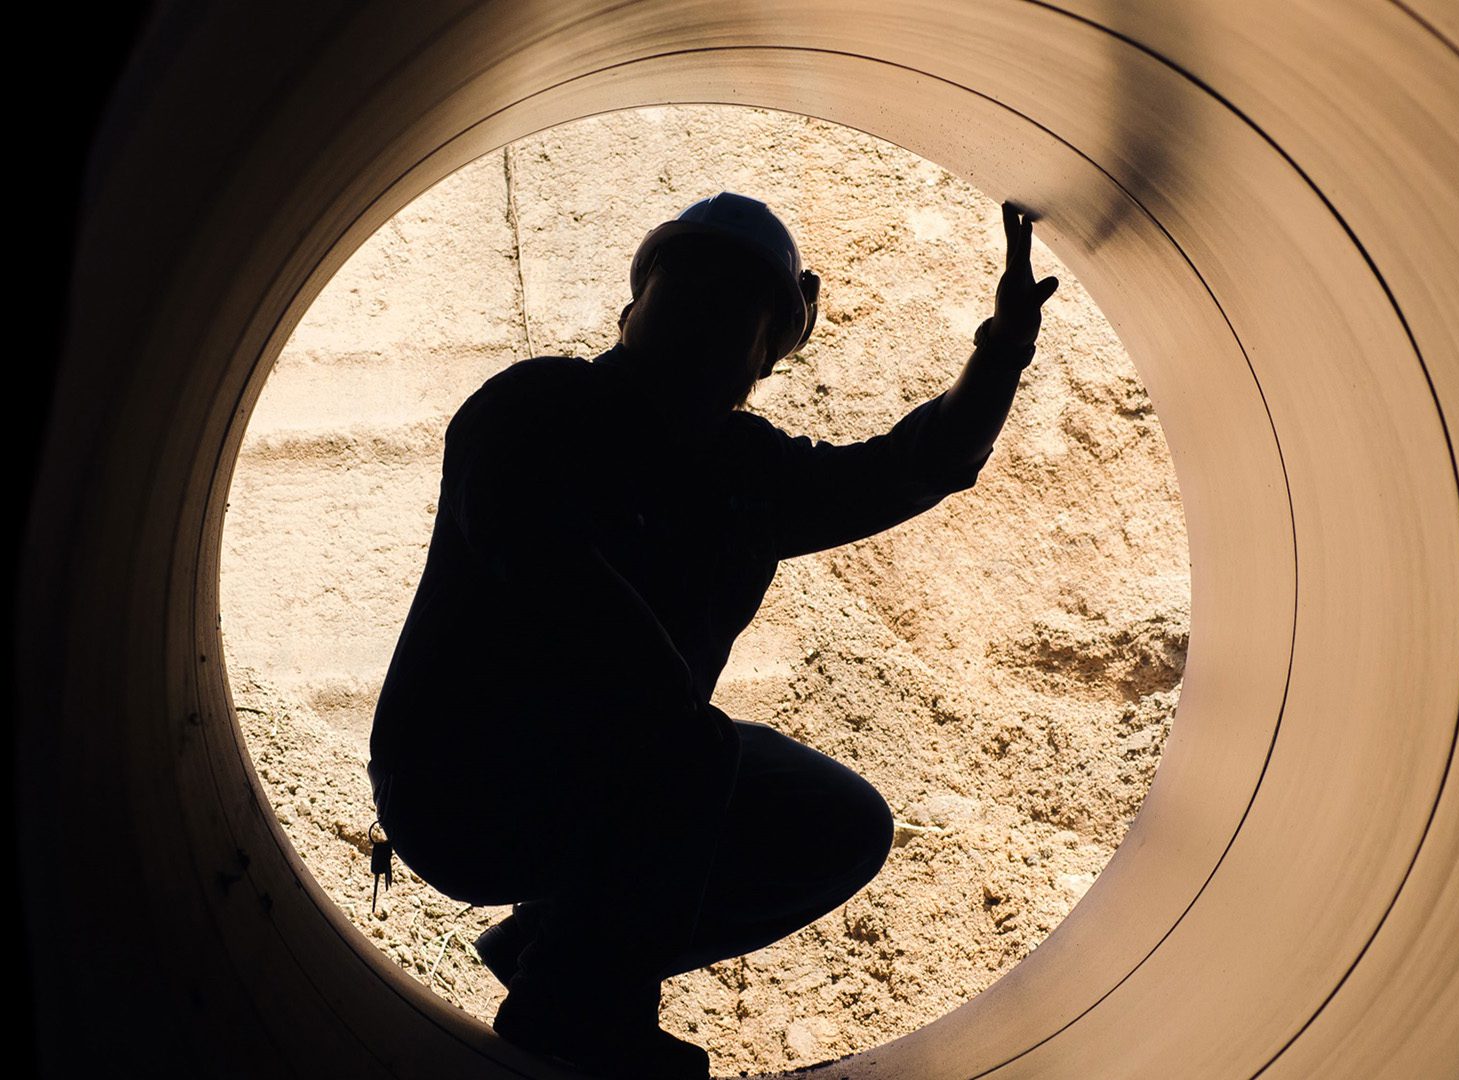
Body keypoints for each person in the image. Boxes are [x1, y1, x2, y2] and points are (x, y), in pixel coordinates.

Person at [364, 191, 1060, 1077]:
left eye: (738, 306)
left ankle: (557, 950)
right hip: (461, 791)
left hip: (620, 789)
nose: (708, 321)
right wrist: (669, 717)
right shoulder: (532, 411)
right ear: (631, 313)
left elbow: (915, 466)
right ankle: (575, 1015)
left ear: (771, 351)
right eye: (690, 293)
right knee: (684, 745)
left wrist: (1003, 351)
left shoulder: (747, 476)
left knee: (836, 823)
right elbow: (547, 572)